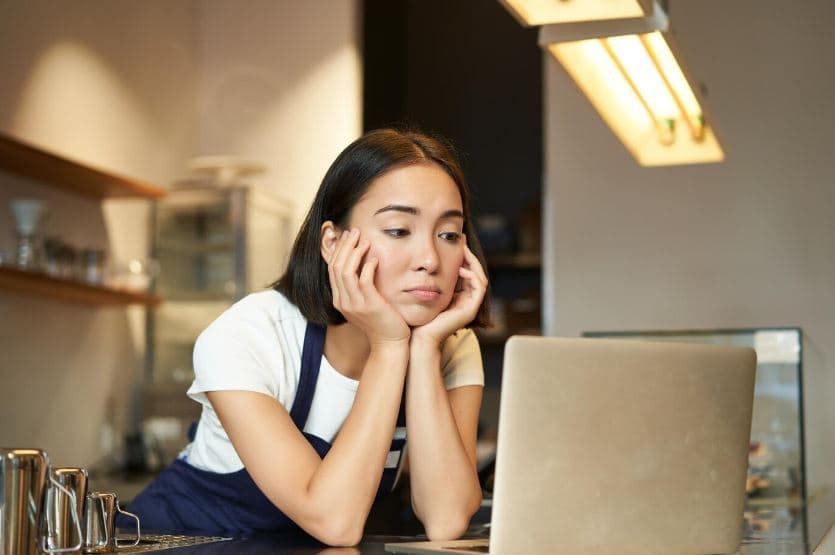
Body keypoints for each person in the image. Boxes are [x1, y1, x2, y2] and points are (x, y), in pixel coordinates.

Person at [122, 128, 491, 546]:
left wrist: (423, 349)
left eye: (448, 235)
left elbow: (447, 520)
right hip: (180, 543)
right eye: (398, 230)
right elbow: (334, 522)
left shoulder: (449, 344)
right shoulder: (248, 336)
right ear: (333, 243)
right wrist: (389, 348)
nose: (429, 259)